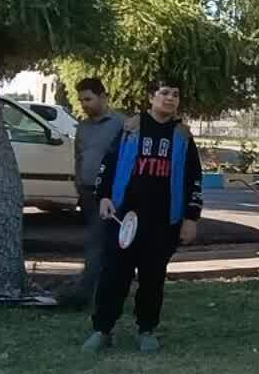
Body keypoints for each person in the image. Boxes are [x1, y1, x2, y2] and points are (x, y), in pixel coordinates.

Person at [82, 78, 204, 354]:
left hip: (163, 222)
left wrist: (191, 218)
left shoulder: (183, 136)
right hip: (123, 219)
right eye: (164, 93)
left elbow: (194, 179)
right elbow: (108, 164)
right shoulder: (131, 128)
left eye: (175, 94)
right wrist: (104, 197)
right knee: (114, 276)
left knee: (153, 278)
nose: (170, 98)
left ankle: (146, 329)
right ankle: (103, 330)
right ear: (151, 97)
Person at [60, 77, 123, 310]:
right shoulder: (83, 127)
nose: (84, 104)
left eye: (88, 99)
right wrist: (78, 184)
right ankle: (97, 291)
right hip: (87, 192)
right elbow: (79, 157)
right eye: (81, 100)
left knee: (99, 242)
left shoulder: (121, 125)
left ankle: (86, 294)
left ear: (103, 97)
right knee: (96, 241)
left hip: (111, 195)